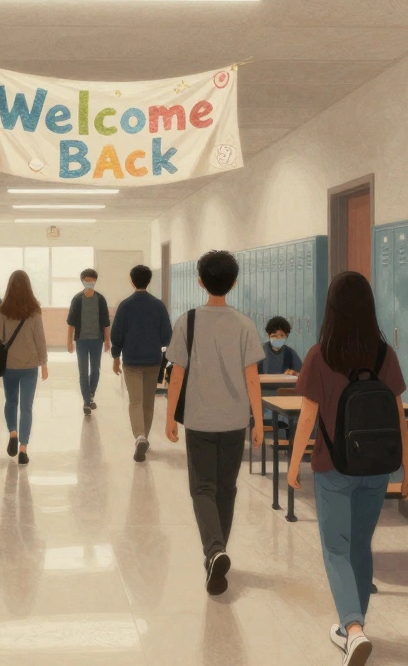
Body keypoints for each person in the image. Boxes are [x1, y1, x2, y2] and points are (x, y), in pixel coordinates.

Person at [286, 271, 408, 666]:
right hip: (377, 469)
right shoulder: (384, 355)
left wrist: (294, 466)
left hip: (333, 467)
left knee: (335, 549)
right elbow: (399, 418)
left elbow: (307, 418)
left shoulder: (319, 354)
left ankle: (353, 628)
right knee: (360, 545)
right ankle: (350, 629)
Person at [164, 250, 264, 596]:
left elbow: (176, 375)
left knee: (202, 487)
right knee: (226, 488)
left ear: (200, 282)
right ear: (234, 283)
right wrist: (259, 422)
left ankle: (214, 550)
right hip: (235, 421)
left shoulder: (186, 321)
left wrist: (168, 417)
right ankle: (218, 552)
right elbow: (253, 379)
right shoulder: (245, 325)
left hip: (199, 420)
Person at [110, 264, 172, 462]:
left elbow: (117, 334)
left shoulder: (125, 306)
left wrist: (115, 356)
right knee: (148, 401)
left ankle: (140, 437)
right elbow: (166, 336)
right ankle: (143, 436)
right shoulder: (158, 305)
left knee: (135, 400)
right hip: (153, 360)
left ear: (131, 280)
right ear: (149, 280)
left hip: (132, 361)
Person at [0, 269, 48, 465]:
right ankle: (23, 448)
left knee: (11, 402)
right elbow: (39, 339)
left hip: (9, 365)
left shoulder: (3, 309)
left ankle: (13, 433)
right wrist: (44, 363)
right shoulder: (34, 310)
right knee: (26, 407)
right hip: (30, 365)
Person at [66, 268, 111, 415]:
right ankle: (86, 401)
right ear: (82, 281)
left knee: (96, 370)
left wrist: (107, 340)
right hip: (81, 340)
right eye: (87, 280)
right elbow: (71, 323)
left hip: (96, 341)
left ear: (95, 281)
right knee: (83, 371)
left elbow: (105, 322)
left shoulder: (101, 299)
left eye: (92, 280)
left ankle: (91, 394)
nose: (89, 282)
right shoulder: (77, 299)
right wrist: (69, 341)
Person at [259, 316, 304, 437]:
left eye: (282, 336)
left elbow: (303, 375)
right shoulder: (260, 352)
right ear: (269, 335)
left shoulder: (289, 353)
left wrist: (295, 373)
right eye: (275, 336)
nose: (278, 339)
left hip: (285, 395)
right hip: (264, 394)